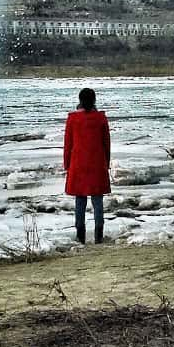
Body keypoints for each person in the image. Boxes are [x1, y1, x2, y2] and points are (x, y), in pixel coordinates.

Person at [63, 87, 111, 244]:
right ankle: (99, 236)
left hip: (77, 164)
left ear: (80, 100)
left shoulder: (72, 119)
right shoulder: (101, 118)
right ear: (94, 100)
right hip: (97, 163)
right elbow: (106, 144)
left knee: (80, 200)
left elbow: (68, 144)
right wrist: (106, 163)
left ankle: (80, 236)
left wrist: (67, 165)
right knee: (97, 200)